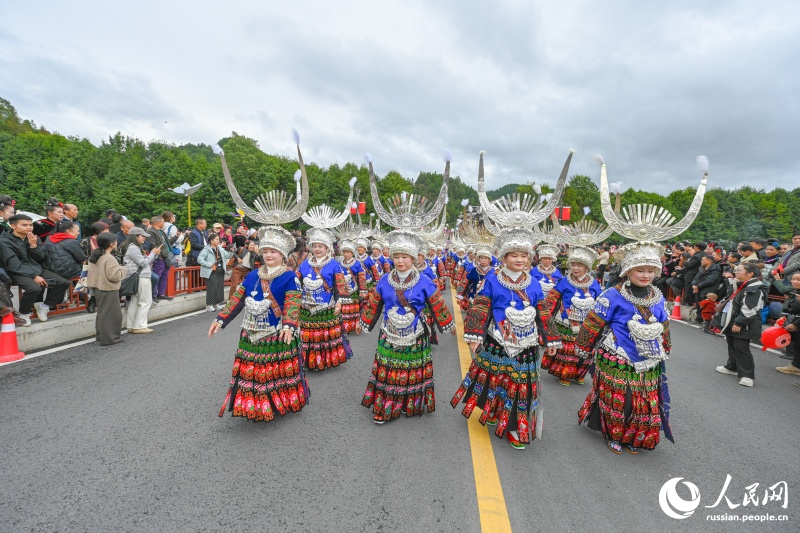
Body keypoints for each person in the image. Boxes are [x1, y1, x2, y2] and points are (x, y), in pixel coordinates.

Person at [452, 228, 557, 450]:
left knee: (521, 386)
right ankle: (493, 410)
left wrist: (550, 340)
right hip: (497, 342)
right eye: (514, 255)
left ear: (529, 258)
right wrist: (475, 336)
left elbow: (543, 312)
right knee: (495, 380)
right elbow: (481, 307)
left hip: (526, 346)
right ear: (504, 258)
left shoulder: (534, 283)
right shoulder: (492, 280)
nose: (519, 259)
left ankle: (514, 426)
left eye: (524, 255)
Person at [576, 243, 673, 454]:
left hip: (649, 357)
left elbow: (664, 324)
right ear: (628, 271)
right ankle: (614, 434)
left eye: (650, 271)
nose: (646, 275)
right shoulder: (612, 294)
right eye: (640, 270)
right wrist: (584, 347)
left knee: (645, 400)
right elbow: (593, 322)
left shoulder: (657, 295)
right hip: (617, 355)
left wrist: (666, 345)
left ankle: (634, 436)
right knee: (622, 398)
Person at [209, 226, 307, 422]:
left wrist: (289, 325)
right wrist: (221, 319)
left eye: (273, 251)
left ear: (282, 254)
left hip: (276, 332)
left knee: (273, 370)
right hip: (251, 331)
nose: (268, 255)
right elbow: (237, 299)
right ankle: (252, 404)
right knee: (253, 370)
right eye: (265, 251)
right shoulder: (253, 275)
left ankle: (275, 403)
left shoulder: (290, 277)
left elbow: (293, 302)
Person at [358, 230, 454, 424]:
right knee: (389, 369)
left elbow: (437, 304)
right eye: (396, 257)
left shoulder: (424, 281)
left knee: (410, 369)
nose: (400, 261)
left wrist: (448, 324)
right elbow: (374, 303)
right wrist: (364, 322)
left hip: (415, 333)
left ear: (414, 258)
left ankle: (407, 403)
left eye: (405, 257)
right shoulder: (385, 279)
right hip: (389, 332)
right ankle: (384, 407)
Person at [539, 246, 603, 386]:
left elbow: (600, 303)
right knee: (568, 350)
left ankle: (579, 374)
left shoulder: (594, 283)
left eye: (579, 265)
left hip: (586, 323)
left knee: (586, 351)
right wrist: (545, 321)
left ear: (586, 267)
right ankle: (565, 374)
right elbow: (552, 300)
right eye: (573, 265)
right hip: (566, 321)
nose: (575, 268)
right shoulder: (564, 281)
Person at [0, 214, 71, 325]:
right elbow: (13, 265)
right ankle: (24, 312)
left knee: (63, 283)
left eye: (30, 225)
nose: (29, 227)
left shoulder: (33, 238)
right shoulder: (4, 241)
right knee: (34, 288)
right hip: (15, 271)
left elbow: (41, 257)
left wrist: (34, 246)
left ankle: (44, 306)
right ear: (13, 226)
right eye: (24, 225)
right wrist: (33, 276)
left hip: (35, 268)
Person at [297, 228, 350, 371]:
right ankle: (307, 361)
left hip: (325, 306)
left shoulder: (334, 264)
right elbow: (296, 282)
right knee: (307, 335)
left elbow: (339, 286)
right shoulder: (304, 264)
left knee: (323, 335)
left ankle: (324, 361)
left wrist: (339, 301)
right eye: (314, 246)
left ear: (327, 248)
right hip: (306, 306)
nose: (317, 249)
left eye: (320, 246)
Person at [716, 262, 767, 387]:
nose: (736, 271)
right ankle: (732, 367)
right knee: (732, 344)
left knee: (742, 348)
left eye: (739, 270)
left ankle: (747, 375)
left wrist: (740, 323)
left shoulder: (754, 288)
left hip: (745, 323)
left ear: (750, 274)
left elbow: (750, 308)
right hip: (733, 319)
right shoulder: (741, 284)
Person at [85, 233, 128, 345]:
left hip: (97, 287)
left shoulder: (96, 255)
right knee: (112, 314)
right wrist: (123, 269)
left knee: (102, 313)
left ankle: (101, 336)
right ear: (111, 244)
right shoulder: (109, 258)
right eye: (116, 241)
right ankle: (110, 338)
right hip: (108, 288)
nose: (117, 243)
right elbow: (114, 276)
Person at [122, 227, 160, 334]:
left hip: (137, 277)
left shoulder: (132, 247)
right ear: (136, 236)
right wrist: (153, 253)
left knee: (134, 302)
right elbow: (143, 263)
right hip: (141, 277)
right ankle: (140, 326)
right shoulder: (133, 248)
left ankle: (131, 325)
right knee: (145, 301)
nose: (144, 238)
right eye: (142, 236)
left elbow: (145, 261)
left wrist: (154, 254)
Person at [337, 239, 368, 333]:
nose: (346, 254)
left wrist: (363, 290)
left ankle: (354, 326)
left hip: (353, 289)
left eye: (348, 252)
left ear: (352, 253)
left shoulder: (357, 263)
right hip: (343, 290)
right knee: (344, 309)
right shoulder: (340, 263)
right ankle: (345, 326)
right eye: (344, 252)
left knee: (354, 309)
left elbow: (362, 278)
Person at [197, 233, 233, 312]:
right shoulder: (206, 250)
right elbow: (199, 259)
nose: (218, 241)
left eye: (218, 239)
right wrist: (209, 264)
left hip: (220, 270)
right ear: (211, 240)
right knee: (212, 288)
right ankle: (209, 305)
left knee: (219, 287)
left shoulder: (220, 249)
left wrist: (231, 251)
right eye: (216, 239)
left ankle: (217, 303)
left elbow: (228, 256)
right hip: (211, 271)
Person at [146, 216, 177, 301]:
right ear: (159, 223)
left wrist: (176, 237)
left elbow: (168, 242)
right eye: (163, 222)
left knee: (164, 275)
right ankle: (154, 294)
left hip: (166, 255)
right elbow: (153, 245)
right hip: (159, 257)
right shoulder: (151, 232)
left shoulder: (161, 231)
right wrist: (158, 257)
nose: (164, 224)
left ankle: (161, 293)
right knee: (157, 275)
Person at [775, 272, 800, 377]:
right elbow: (793, 308)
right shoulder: (795, 292)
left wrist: (796, 325)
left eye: (798, 280)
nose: (795, 282)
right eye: (793, 279)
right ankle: (796, 366)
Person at [456, 247, 495, 311]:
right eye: (481, 258)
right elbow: (465, 283)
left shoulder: (494, 272)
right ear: (478, 259)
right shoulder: (473, 270)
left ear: (489, 260)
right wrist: (460, 296)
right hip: (473, 297)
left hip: (489, 299)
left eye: (486, 258)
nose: (483, 260)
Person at [691, 255, 722, 324]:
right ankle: (699, 319)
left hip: (708, 290)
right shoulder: (701, 268)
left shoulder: (715, 269)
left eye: (703, 260)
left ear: (709, 261)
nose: (701, 261)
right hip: (698, 289)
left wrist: (698, 286)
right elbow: (696, 278)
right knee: (699, 304)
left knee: (706, 306)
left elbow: (710, 280)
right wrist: (693, 285)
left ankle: (707, 322)